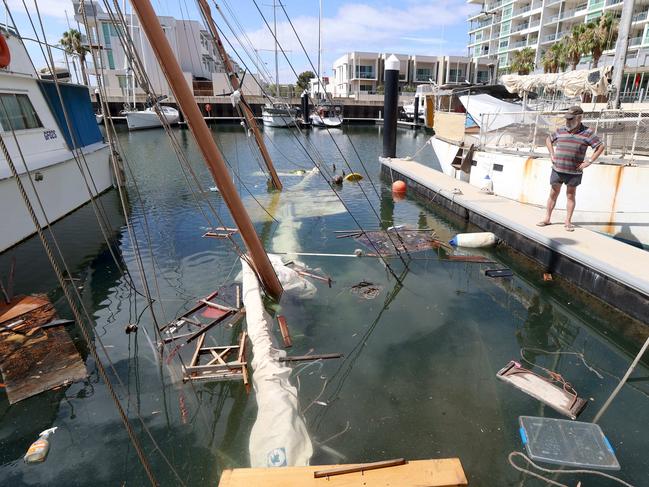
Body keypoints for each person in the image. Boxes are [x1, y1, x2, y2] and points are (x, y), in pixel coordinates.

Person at [537, 106, 605, 231]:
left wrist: (589, 161)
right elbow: (548, 139)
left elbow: (600, 146)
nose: (567, 122)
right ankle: (547, 218)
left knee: (570, 195)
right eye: (567, 119)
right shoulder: (561, 130)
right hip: (557, 169)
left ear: (579, 118)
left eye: (570, 119)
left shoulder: (588, 133)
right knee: (553, 194)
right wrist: (552, 154)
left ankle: (567, 221)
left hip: (574, 172)